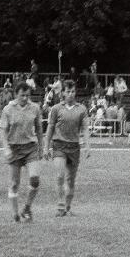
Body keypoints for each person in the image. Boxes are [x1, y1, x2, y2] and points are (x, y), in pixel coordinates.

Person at [0, 82, 44, 222]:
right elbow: (3, 130)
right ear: (15, 94)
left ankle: (27, 207)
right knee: (14, 184)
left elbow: (39, 129)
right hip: (14, 148)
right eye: (22, 95)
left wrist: (41, 147)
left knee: (35, 179)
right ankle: (15, 214)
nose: (25, 98)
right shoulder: (8, 109)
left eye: (28, 95)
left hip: (30, 147)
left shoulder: (35, 108)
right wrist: (6, 148)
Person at [45, 80, 91, 217]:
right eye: (68, 91)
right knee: (60, 176)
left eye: (73, 91)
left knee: (70, 180)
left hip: (74, 147)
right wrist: (46, 147)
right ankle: (60, 205)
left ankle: (68, 207)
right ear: (63, 93)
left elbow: (85, 129)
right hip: (59, 145)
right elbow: (50, 128)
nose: (71, 94)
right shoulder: (56, 109)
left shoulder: (81, 109)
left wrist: (87, 146)